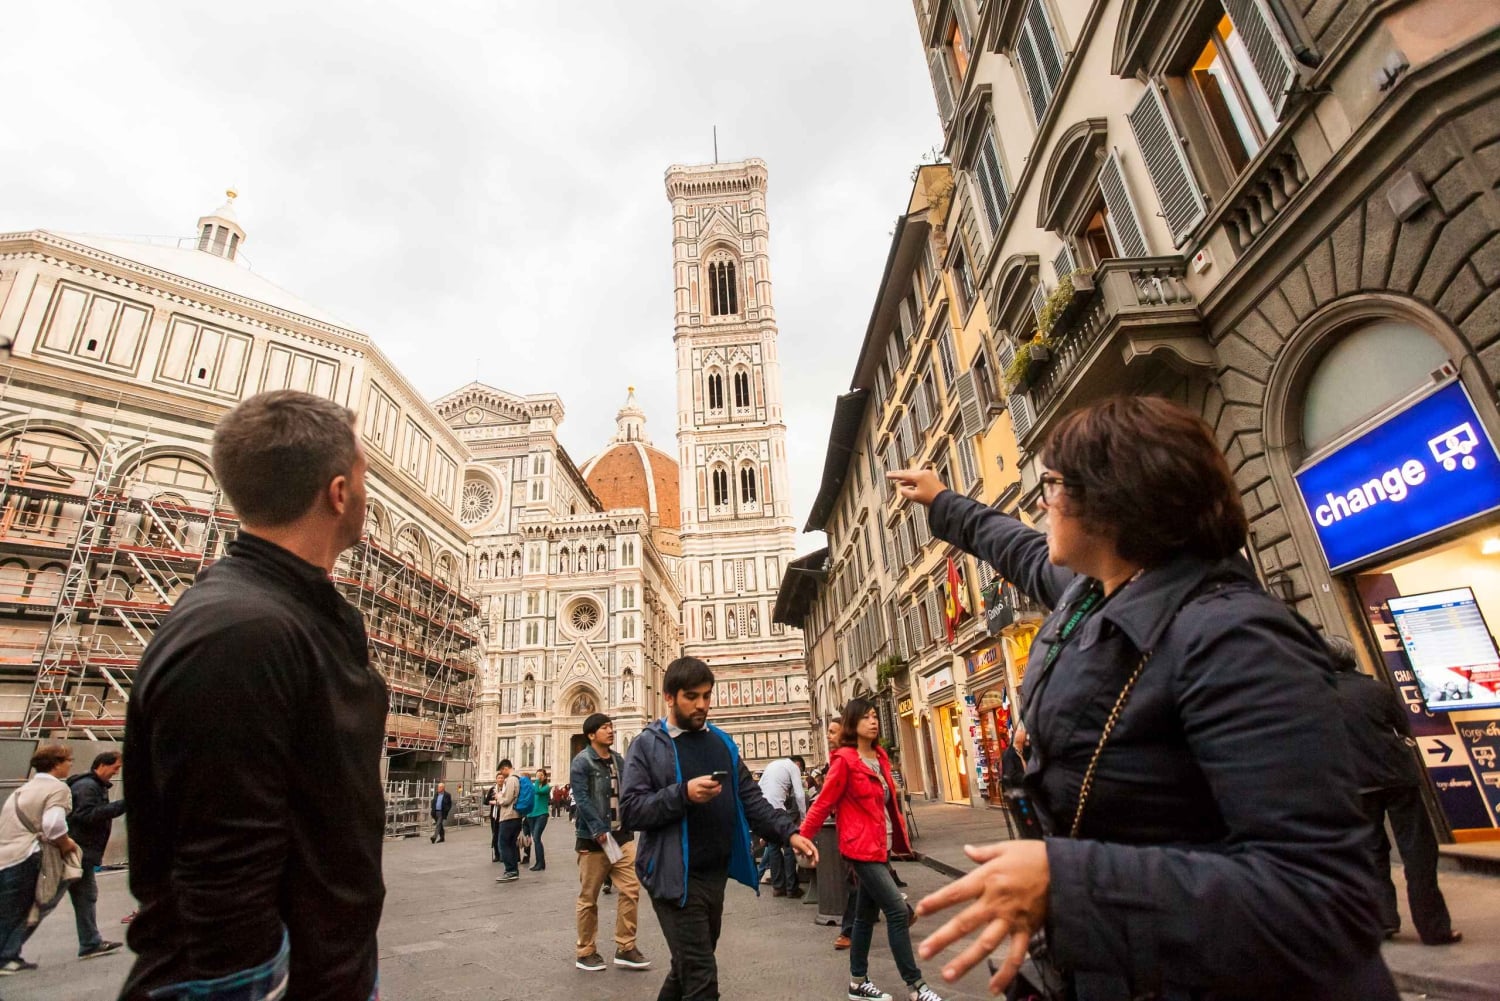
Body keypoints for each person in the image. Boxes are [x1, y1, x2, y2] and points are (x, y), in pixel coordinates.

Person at [889, 396, 1396, 1001]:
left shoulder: (1235, 639)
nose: (1042, 503)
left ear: (1111, 498)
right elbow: (1017, 548)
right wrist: (942, 501)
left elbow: (1323, 899)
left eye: (1052, 485)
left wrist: (1068, 881)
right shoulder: (1093, 592)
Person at [121, 390, 386, 1001]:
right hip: (259, 982)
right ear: (338, 493)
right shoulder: (240, 631)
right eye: (364, 475)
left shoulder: (288, 613)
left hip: (329, 969)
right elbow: (221, 870)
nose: (367, 493)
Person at [620, 656, 818, 1001]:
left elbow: (750, 798)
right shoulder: (648, 745)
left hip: (714, 875)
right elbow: (631, 810)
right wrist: (683, 794)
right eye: (691, 697)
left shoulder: (721, 743)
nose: (701, 705)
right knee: (701, 977)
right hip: (673, 876)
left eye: (706, 696)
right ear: (669, 697)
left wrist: (790, 833)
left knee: (687, 967)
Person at [800, 700, 939, 1001]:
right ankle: (916, 987)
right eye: (866, 717)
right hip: (859, 849)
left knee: (863, 916)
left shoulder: (879, 757)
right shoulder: (844, 761)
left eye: (875, 716)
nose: (873, 722)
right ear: (853, 724)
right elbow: (823, 803)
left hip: (880, 846)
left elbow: (887, 803)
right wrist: (803, 838)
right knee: (897, 911)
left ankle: (858, 982)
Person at [1328, 635, 1462, 945]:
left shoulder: (1317, 696)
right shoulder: (1376, 689)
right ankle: (1433, 927)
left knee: (1372, 852)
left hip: (1356, 784)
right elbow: (1402, 727)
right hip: (1396, 776)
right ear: (1351, 658)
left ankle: (1384, 921)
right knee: (1418, 852)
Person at [571, 713, 649, 972]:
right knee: (589, 897)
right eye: (605, 727)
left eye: (611, 727)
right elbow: (582, 799)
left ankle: (626, 946)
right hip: (594, 840)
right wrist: (598, 828)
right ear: (591, 734)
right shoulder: (581, 762)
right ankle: (585, 951)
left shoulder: (618, 760)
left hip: (621, 838)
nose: (611, 731)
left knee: (631, 889)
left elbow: (629, 791)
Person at [0, 743, 80, 975]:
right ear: (56, 764)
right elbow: (53, 824)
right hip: (27, 854)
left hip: (6, 854)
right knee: (24, 908)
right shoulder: (57, 788)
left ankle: (7, 955)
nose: (70, 765)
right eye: (68, 761)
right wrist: (66, 845)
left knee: (7, 908)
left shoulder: (22, 790)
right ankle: (7, 957)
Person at [66, 750, 127, 959]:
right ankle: (7, 951)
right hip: (77, 852)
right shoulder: (87, 786)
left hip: (83, 852)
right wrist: (122, 805)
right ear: (102, 765)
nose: (116, 772)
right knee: (46, 901)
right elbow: (85, 815)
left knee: (86, 896)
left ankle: (90, 943)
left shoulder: (94, 785)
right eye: (115, 768)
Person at [757, 755, 808, 897]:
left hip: (765, 809)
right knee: (789, 847)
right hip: (778, 809)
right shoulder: (793, 767)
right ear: (798, 764)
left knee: (773, 847)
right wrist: (804, 817)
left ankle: (778, 887)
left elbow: (759, 786)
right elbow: (799, 794)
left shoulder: (772, 765)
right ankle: (792, 888)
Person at [491, 760, 522, 883]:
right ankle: (513, 870)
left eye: (501, 771)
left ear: (505, 768)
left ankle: (510, 870)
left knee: (503, 843)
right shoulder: (517, 778)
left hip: (509, 816)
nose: (501, 774)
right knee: (510, 844)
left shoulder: (511, 780)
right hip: (515, 816)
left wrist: (499, 798)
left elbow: (507, 800)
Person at [526, 768, 552, 871]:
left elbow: (538, 791)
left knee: (536, 837)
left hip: (541, 814)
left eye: (541, 775)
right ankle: (540, 862)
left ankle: (540, 863)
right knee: (535, 839)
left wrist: (536, 781)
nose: (539, 777)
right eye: (537, 775)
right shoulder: (534, 787)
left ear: (545, 777)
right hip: (531, 815)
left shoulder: (546, 787)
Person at [483, 770, 505, 862]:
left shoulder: (506, 789)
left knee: (503, 834)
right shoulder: (492, 789)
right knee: (495, 834)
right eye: (499, 778)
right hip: (494, 815)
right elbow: (485, 801)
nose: (500, 780)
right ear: (496, 779)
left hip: (504, 814)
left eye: (502, 778)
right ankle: (497, 854)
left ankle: (503, 854)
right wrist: (493, 802)